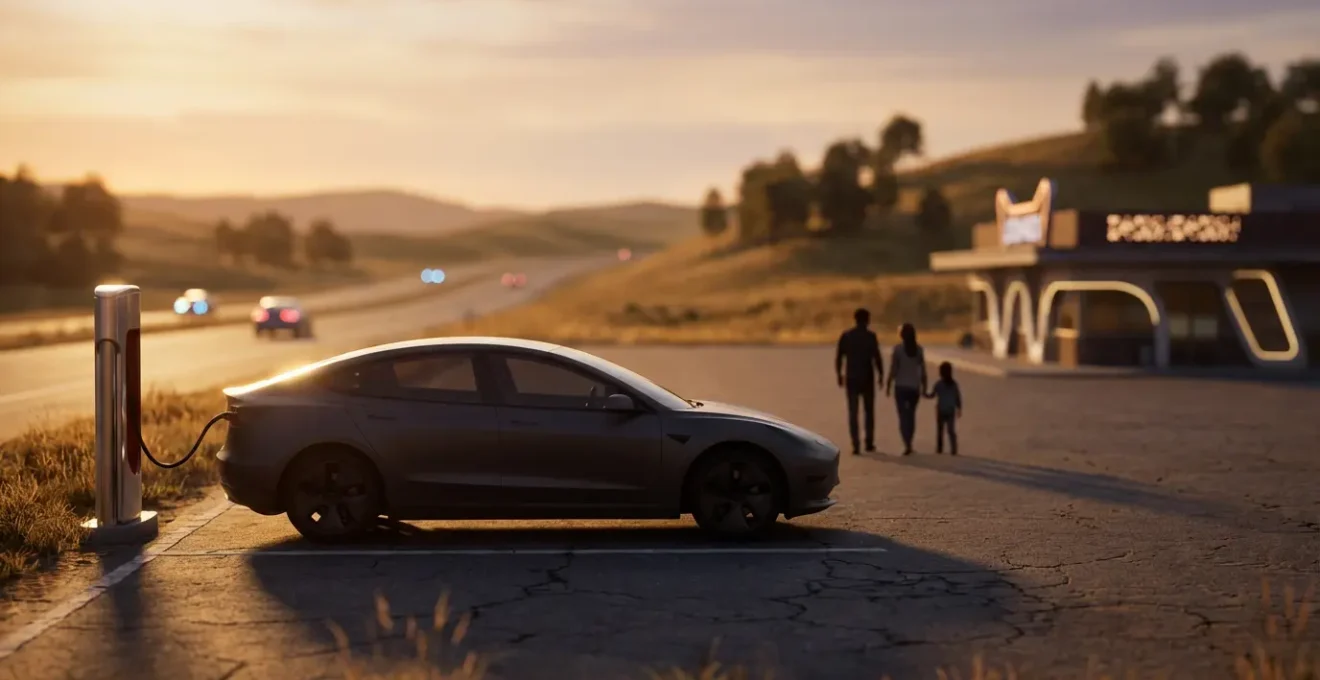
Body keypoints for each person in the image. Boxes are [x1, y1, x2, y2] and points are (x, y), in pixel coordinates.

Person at [835, 308, 884, 455]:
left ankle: (856, 444)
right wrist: (881, 374)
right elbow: (877, 357)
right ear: (867, 320)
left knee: (853, 412)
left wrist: (839, 374)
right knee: (869, 412)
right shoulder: (871, 336)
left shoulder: (847, 336)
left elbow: (839, 357)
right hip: (867, 378)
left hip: (852, 378)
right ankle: (869, 442)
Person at [885, 323, 927, 456]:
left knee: (903, 416)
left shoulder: (898, 350)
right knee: (911, 415)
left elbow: (894, 369)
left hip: (901, 387)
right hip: (914, 387)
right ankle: (910, 441)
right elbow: (923, 370)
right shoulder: (919, 350)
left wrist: (888, 383)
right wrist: (924, 386)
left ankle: (906, 443)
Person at [926, 361, 962, 455]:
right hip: (944, 410)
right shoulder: (944, 384)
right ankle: (944, 448)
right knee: (944, 430)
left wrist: (959, 408)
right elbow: (933, 394)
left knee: (947, 430)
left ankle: (947, 449)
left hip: (946, 410)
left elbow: (957, 397)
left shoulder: (947, 385)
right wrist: (959, 408)